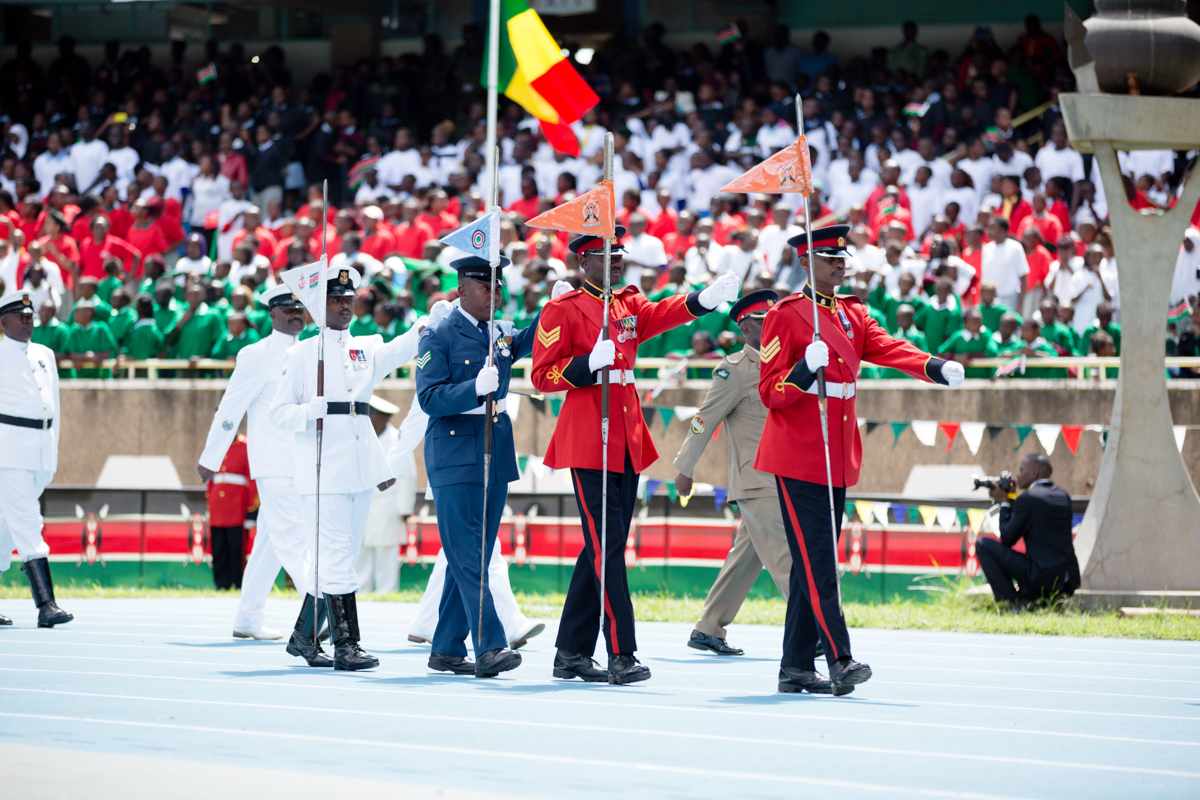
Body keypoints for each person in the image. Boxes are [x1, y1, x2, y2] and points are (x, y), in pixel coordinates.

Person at [756, 225, 964, 695]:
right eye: (828, 256)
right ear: (806, 262)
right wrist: (804, 369)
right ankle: (839, 659)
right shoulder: (785, 315)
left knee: (815, 563)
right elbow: (770, 392)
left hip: (836, 451)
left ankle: (794, 667)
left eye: (841, 256)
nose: (839, 262)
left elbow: (890, 349)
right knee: (821, 563)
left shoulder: (853, 313)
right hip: (798, 454)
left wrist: (932, 366)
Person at [531, 225, 740, 685]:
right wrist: (588, 364)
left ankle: (570, 652)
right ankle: (621, 652)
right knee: (608, 551)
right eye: (608, 254)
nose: (619, 259)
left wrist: (704, 299)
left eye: (621, 253)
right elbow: (542, 377)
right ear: (584, 261)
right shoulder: (562, 309)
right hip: (589, 440)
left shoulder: (625, 302)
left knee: (603, 549)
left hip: (624, 438)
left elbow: (662, 314)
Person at [269, 264, 437, 671]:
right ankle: (347, 644)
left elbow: (400, 349)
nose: (344, 306)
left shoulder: (365, 347)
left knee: (336, 556)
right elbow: (278, 413)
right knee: (338, 557)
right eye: (334, 299)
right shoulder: (303, 353)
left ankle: (304, 638)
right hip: (322, 467)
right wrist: (310, 410)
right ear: (316, 305)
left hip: (360, 466)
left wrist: (429, 323)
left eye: (348, 299)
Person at [414, 254, 542, 679]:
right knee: (468, 554)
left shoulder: (500, 332)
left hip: (494, 442)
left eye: (499, 287)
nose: (496, 294)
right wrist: (473, 389)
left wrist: (557, 307)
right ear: (462, 289)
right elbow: (429, 398)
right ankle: (489, 646)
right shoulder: (438, 332)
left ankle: (447, 647)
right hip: (454, 447)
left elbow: (531, 339)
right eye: (487, 287)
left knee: (476, 553)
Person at [673, 290, 793, 656]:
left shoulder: (788, 362)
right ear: (746, 329)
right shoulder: (735, 369)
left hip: (784, 474)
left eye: (775, 319)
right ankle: (818, 628)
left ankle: (709, 627)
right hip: (757, 480)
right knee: (789, 558)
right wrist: (684, 467)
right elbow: (704, 419)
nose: (773, 327)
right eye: (764, 322)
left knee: (747, 556)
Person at [198, 285, 311, 641]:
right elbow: (230, 408)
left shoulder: (310, 351)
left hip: (302, 462)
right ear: (272, 314)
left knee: (268, 543)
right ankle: (329, 615)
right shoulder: (256, 354)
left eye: (299, 308)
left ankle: (248, 617)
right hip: (275, 464)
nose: (295, 314)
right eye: (287, 309)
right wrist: (211, 457)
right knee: (295, 541)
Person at [0, 289, 73, 627]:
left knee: (4, 531)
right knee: (29, 523)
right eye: (19, 316)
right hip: (9, 451)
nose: (27, 321)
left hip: (40, 447)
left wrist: (52, 453)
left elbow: (53, 406)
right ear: (4, 323)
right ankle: (46, 605)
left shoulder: (45, 353)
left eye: (29, 316)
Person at [978, 454, 1079, 610]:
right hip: (1067, 579)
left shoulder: (1028, 499)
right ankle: (1037, 600)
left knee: (983, 545)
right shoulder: (1063, 496)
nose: (1017, 475)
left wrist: (1004, 503)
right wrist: (1012, 499)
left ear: (1034, 473)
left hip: (1040, 577)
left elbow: (1007, 538)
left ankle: (1012, 602)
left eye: (1021, 470)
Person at [355, 395, 406, 594]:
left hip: (387, 508)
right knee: (362, 550)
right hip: (363, 506)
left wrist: (404, 508)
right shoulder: (361, 436)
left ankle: (387, 592)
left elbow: (407, 475)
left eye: (373, 414)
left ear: (383, 418)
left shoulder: (397, 440)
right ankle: (360, 592)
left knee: (386, 552)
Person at [203, 434, 256, 590]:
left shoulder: (246, 446)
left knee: (237, 548)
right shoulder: (216, 445)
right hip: (218, 506)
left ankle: (238, 583)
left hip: (237, 506)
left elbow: (251, 479)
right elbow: (210, 476)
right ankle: (221, 584)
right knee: (218, 547)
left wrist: (251, 508)